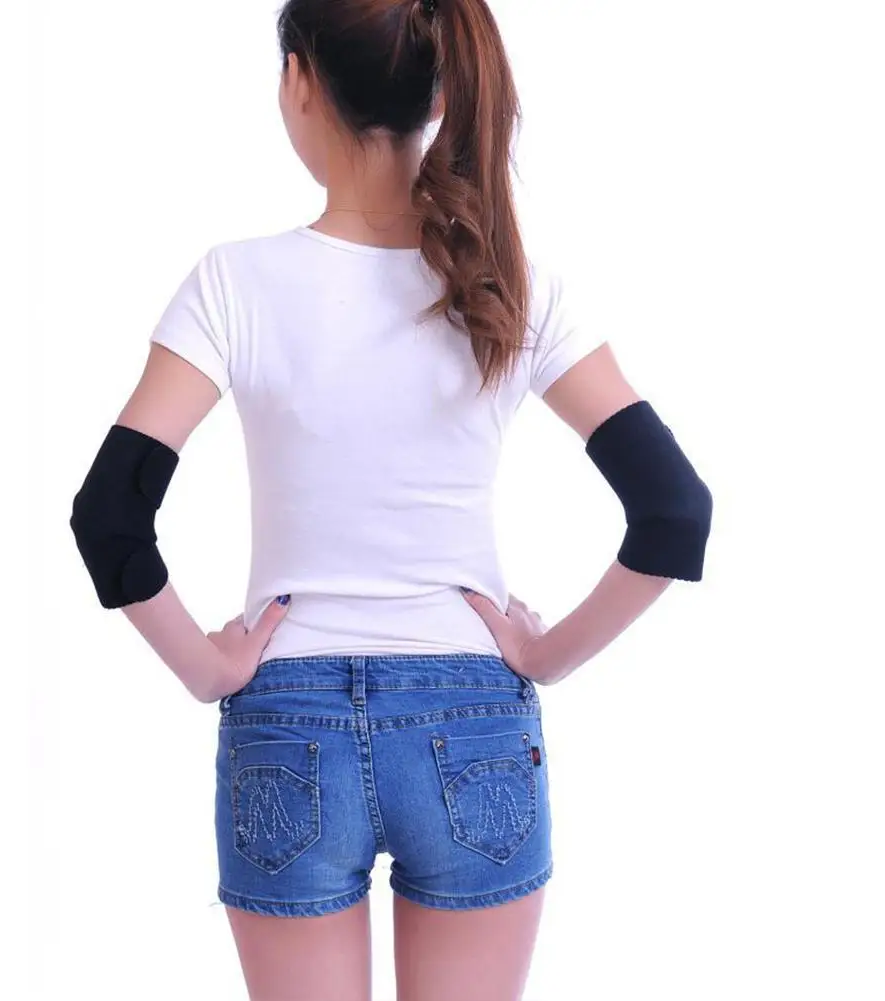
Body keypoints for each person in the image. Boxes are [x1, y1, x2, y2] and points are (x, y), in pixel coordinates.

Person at [69, 0, 713, 998]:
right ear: (440, 92)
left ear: (298, 81)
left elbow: (111, 510)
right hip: (474, 719)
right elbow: (672, 511)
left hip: (285, 723)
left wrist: (205, 667)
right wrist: (543, 654)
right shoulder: (517, 290)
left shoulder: (233, 284)